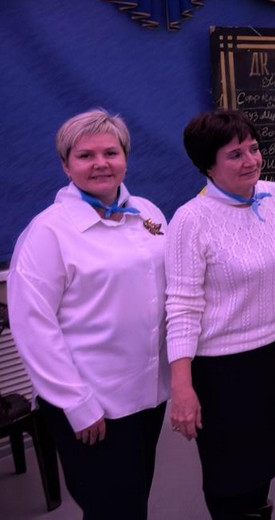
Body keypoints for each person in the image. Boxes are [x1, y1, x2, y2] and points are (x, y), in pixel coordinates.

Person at [7, 109, 168, 519]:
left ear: (125, 158)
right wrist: (77, 404)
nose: (101, 163)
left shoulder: (148, 212)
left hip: (148, 394)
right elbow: (34, 328)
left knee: (134, 498)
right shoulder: (47, 233)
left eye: (111, 152)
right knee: (110, 508)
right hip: (94, 404)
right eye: (85, 155)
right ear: (66, 165)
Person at [165, 109, 275, 520]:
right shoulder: (190, 220)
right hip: (224, 370)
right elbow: (182, 308)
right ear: (207, 164)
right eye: (235, 154)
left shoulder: (274, 196)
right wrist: (182, 387)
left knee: (265, 460)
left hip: (274, 354)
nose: (251, 160)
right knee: (230, 475)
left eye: (254, 148)